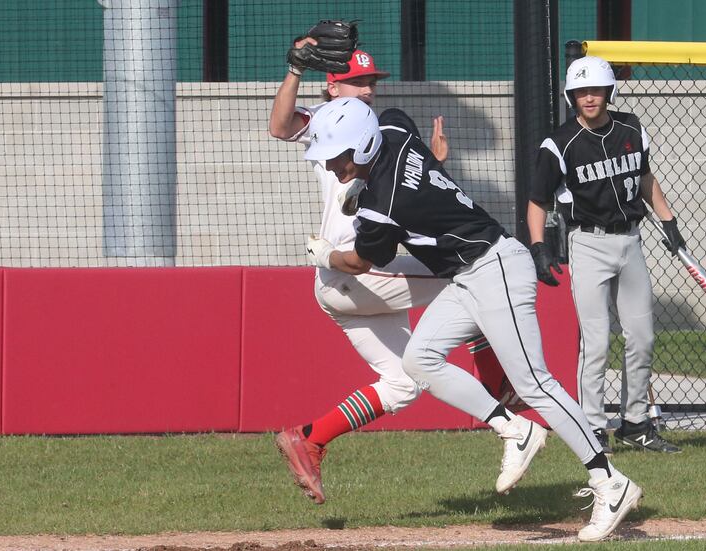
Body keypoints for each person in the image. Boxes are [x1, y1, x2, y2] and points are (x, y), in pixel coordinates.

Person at [304, 97, 643, 542]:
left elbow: (361, 260)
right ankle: (514, 428)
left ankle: (609, 481)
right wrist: (409, 171)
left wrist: (327, 253)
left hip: (495, 267)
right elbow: (402, 130)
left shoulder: (381, 207)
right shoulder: (394, 130)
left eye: (338, 157)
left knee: (535, 385)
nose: (331, 166)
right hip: (468, 274)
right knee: (419, 360)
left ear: (363, 146)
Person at [269, 44, 537, 504]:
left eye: (372, 81)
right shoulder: (327, 126)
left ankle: (309, 439)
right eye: (357, 82)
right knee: (474, 272)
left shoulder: (378, 133)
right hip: (355, 270)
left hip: (353, 280)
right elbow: (279, 126)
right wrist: (296, 67)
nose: (368, 89)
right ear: (333, 86)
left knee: (404, 382)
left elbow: (407, 198)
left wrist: (435, 167)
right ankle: (500, 387)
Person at [527, 55, 683, 455]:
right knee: (595, 343)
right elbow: (537, 202)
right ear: (571, 96)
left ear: (609, 92)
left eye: (596, 90)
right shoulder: (558, 143)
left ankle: (635, 423)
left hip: (630, 241)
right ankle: (593, 428)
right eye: (581, 92)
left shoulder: (631, 127)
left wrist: (668, 222)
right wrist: (539, 247)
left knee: (642, 338)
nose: (589, 98)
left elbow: (646, 178)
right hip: (588, 244)